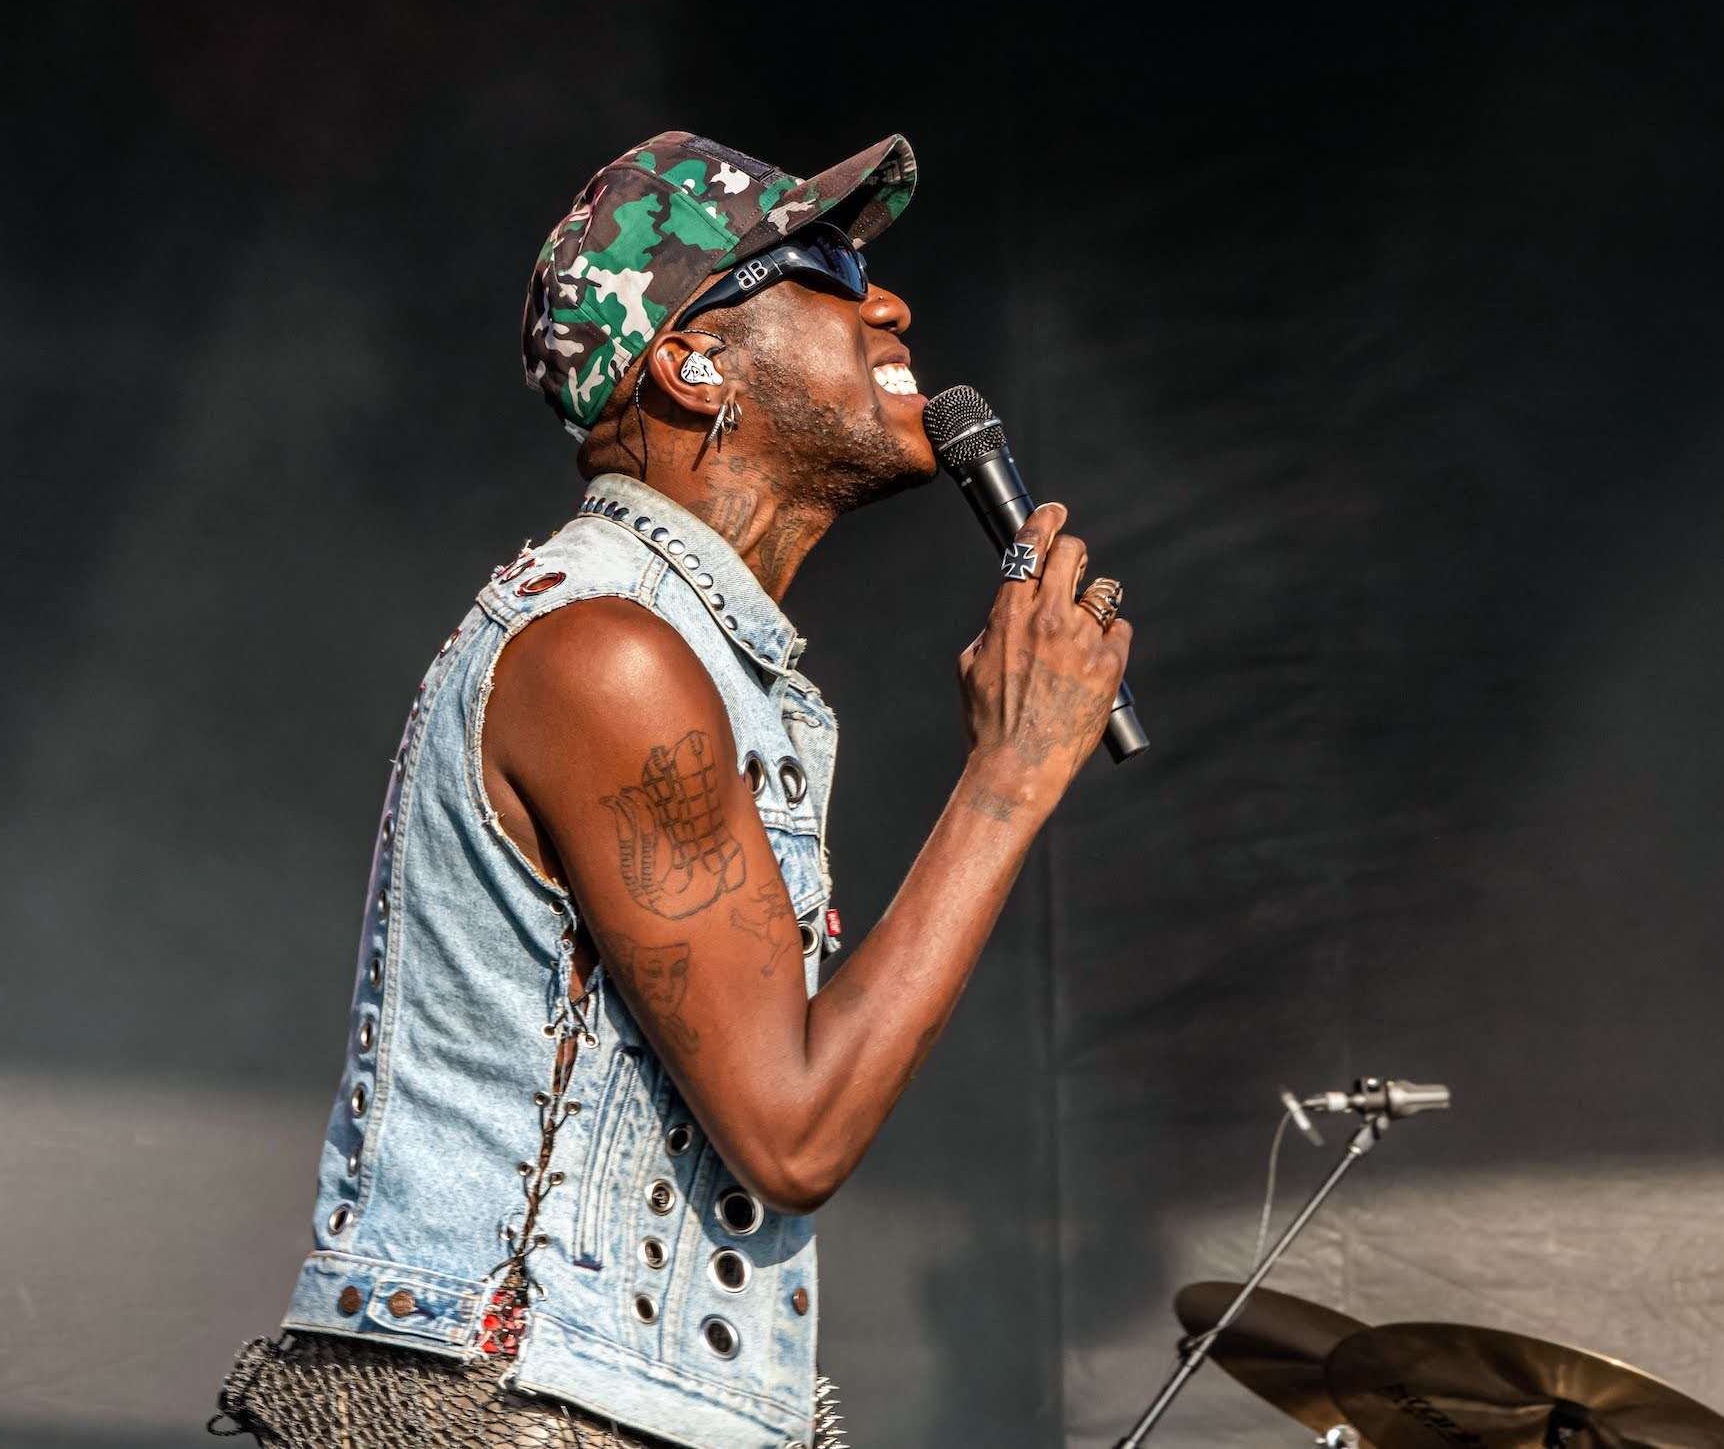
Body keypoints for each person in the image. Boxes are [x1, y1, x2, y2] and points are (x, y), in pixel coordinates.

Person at [211, 131, 1132, 1449]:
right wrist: (1011, 772)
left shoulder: (688, 658)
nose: (888, 303)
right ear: (693, 365)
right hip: (506, 1407)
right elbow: (794, 1133)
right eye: (828, 272)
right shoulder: (608, 657)